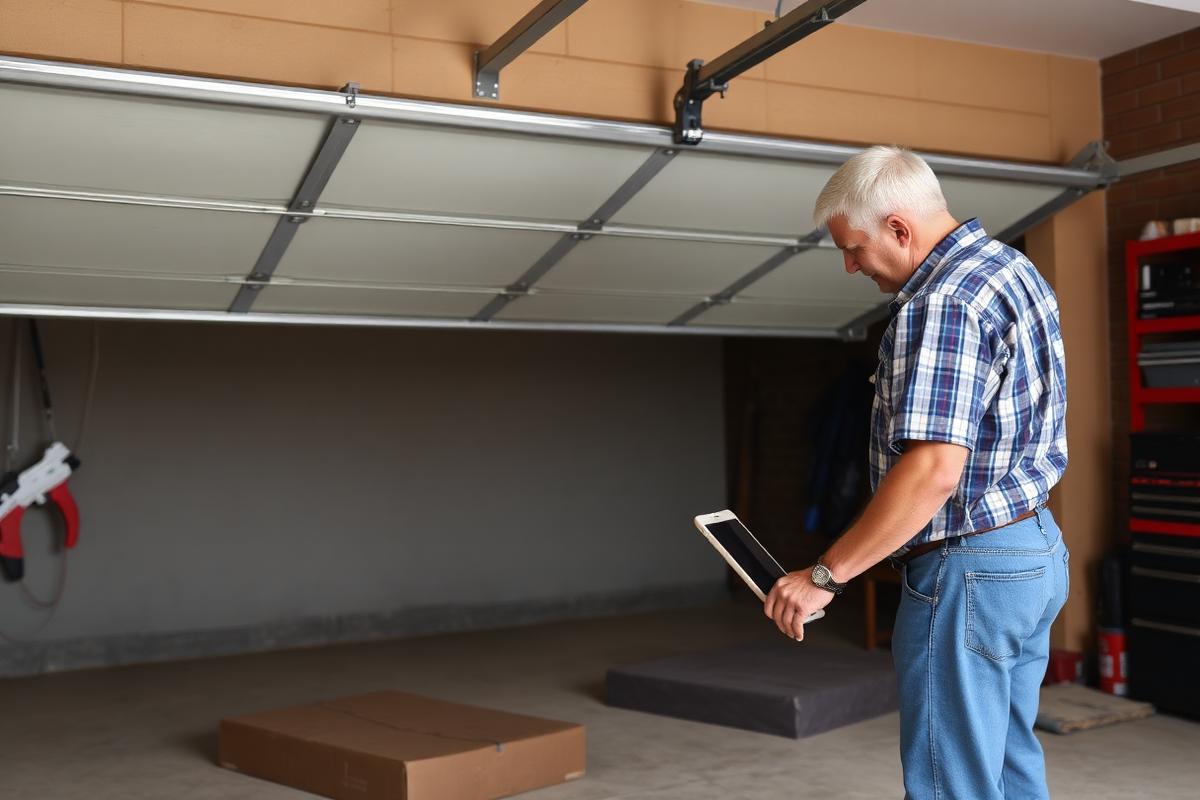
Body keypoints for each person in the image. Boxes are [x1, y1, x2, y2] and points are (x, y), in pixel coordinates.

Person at [763, 145, 1070, 799]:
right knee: (1009, 761)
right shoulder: (1012, 268)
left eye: (853, 248)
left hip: (972, 573)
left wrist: (826, 575)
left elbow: (933, 469)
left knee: (948, 780)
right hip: (1033, 552)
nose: (850, 266)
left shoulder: (943, 304)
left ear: (900, 229)